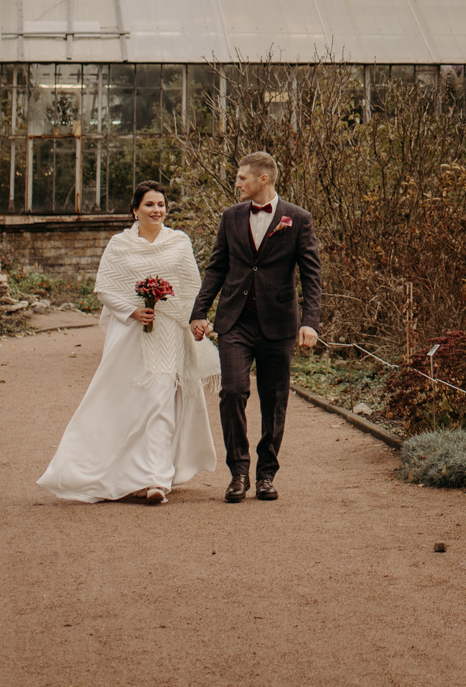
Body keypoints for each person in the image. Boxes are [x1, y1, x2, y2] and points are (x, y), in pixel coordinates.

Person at [37, 180, 219, 504]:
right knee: (127, 403)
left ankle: (156, 481)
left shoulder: (179, 242)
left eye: (161, 204)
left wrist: (196, 319)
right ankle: (115, 471)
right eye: (149, 204)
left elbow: (193, 289)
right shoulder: (119, 245)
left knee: (161, 399)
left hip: (168, 337)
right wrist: (133, 310)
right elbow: (104, 287)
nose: (157, 210)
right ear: (135, 210)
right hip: (131, 337)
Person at [187, 150, 322, 503]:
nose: (236, 183)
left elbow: (311, 276)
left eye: (242, 177)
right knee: (232, 391)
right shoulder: (230, 217)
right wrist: (198, 312)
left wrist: (310, 322)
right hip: (235, 321)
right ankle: (238, 472)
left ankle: (266, 475)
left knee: (274, 400)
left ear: (263, 179)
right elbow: (217, 267)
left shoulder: (298, 219)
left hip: (278, 324)